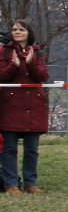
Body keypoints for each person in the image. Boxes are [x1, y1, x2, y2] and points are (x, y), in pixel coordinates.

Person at [0, 20, 49, 193]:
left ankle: (30, 183)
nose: (17, 32)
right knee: (9, 148)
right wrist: (14, 65)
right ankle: (11, 184)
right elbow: (2, 76)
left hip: (34, 106)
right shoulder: (3, 51)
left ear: (29, 32)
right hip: (10, 105)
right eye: (14, 29)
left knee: (31, 149)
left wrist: (30, 63)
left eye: (21, 29)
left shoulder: (38, 53)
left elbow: (42, 75)